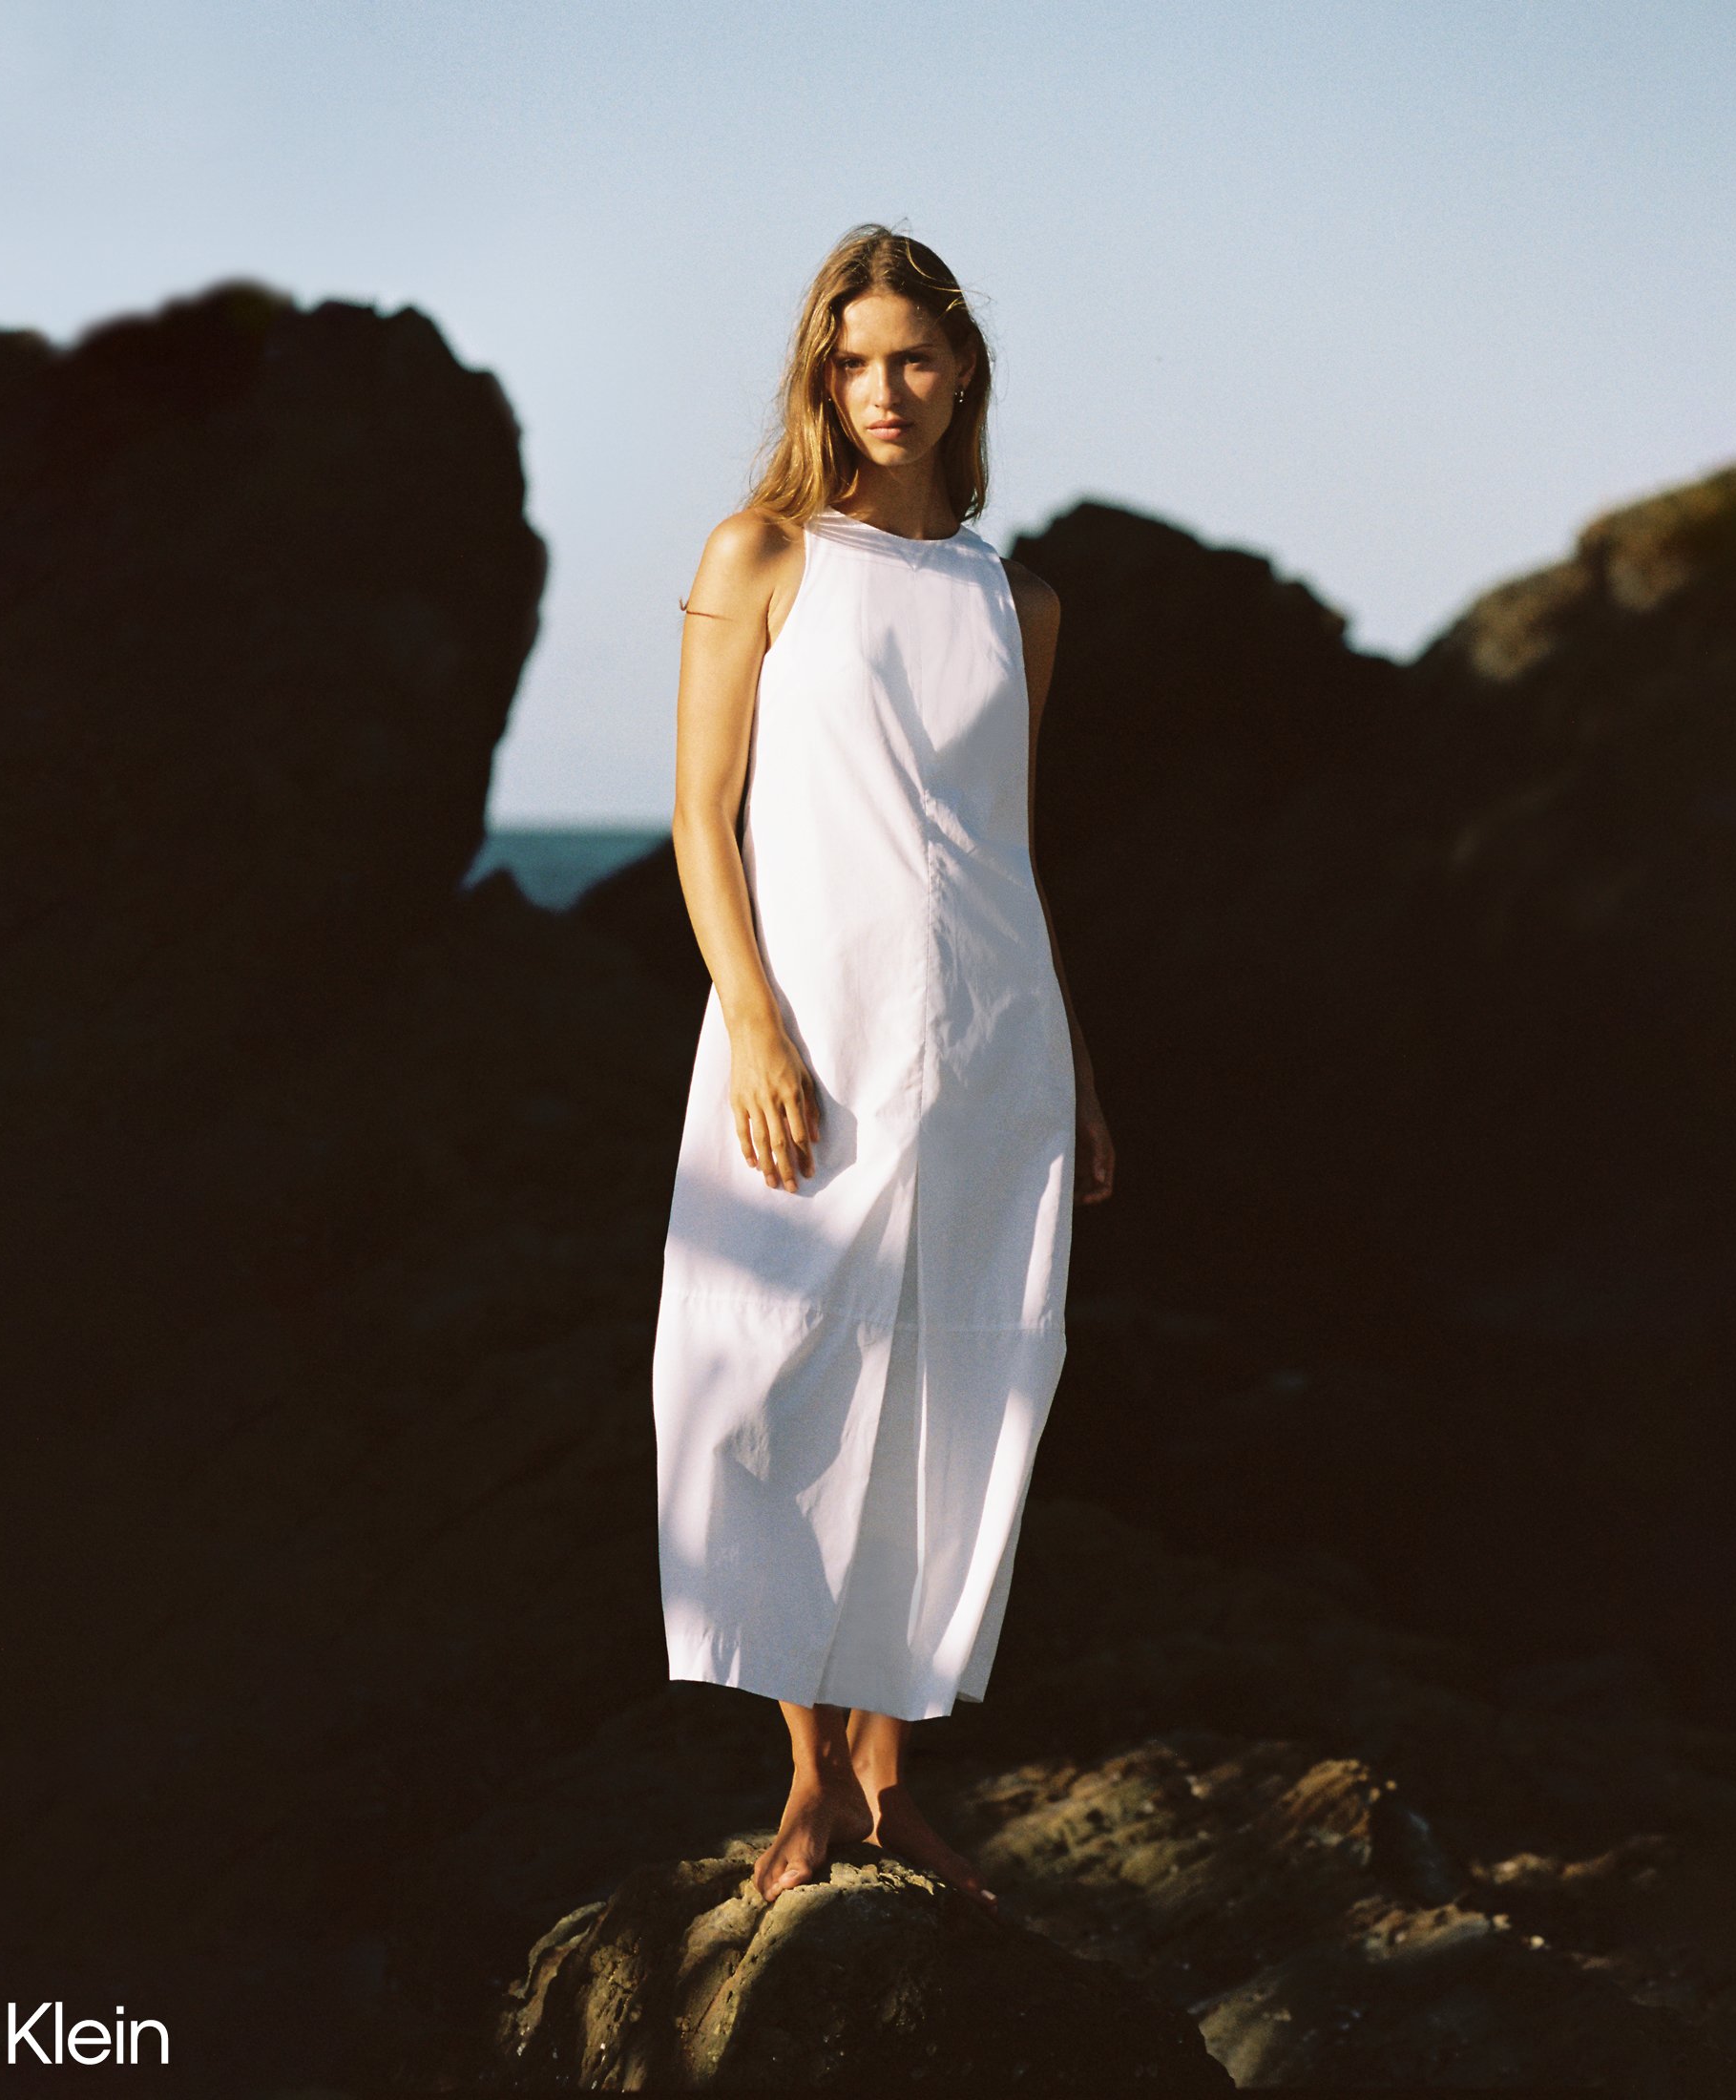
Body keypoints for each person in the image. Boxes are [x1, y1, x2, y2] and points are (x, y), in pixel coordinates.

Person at [652, 223, 1116, 1913]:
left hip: (992, 1045)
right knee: (775, 1381)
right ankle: (800, 1781)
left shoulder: (1017, 599)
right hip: (810, 1040)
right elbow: (703, 820)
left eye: (913, 357)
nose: (885, 390)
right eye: (853, 362)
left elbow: (1004, 849)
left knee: (953, 1394)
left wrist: (1078, 1064)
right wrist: (756, 1020)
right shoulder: (763, 552)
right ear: (817, 377)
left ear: (964, 367)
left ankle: (888, 1788)